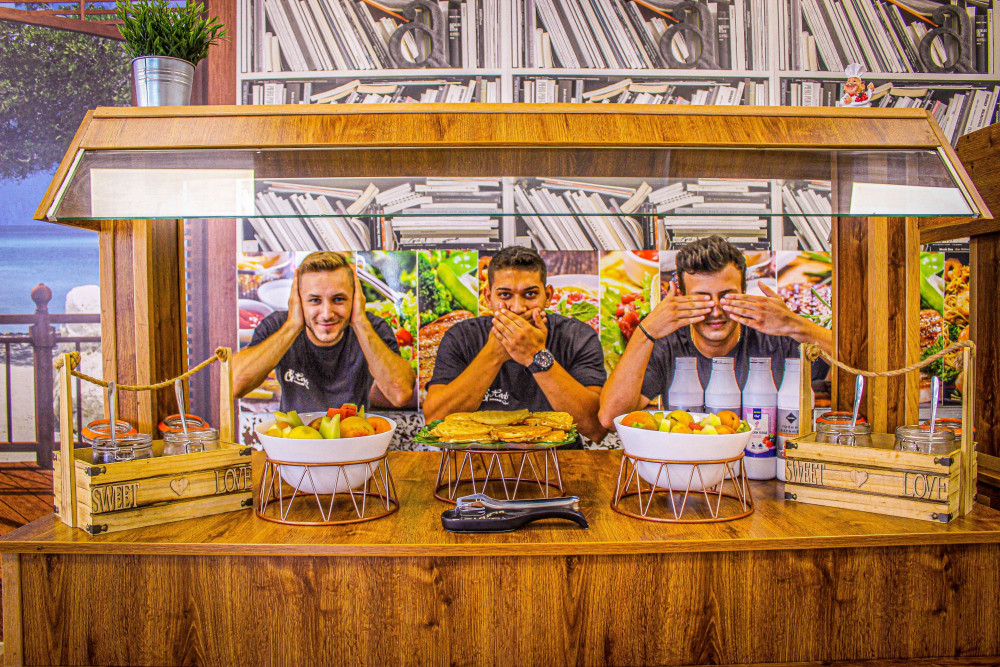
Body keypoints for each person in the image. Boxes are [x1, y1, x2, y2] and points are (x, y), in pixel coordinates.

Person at [599, 236, 833, 428]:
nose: (716, 310)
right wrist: (645, 331)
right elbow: (610, 418)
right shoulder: (668, 342)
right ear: (681, 297)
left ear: (744, 292)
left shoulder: (775, 334)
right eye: (702, 299)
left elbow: (853, 367)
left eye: (727, 296)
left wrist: (796, 325)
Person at [423, 246, 608, 444]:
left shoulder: (578, 336)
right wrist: (494, 353)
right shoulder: (461, 336)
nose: (518, 308)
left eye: (530, 294)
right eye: (505, 295)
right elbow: (434, 420)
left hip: (557, 459)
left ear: (548, 296)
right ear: (488, 298)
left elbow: (595, 429)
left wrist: (536, 355)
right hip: (477, 458)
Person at [234, 251, 415, 412]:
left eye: (338, 299)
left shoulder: (372, 328)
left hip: (355, 436)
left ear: (355, 299)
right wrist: (292, 325)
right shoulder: (277, 325)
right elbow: (234, 385)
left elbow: (400, 394)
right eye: (314, 300)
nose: (327, 314)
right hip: (294, 437)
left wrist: (360, 322)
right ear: (298, 300)